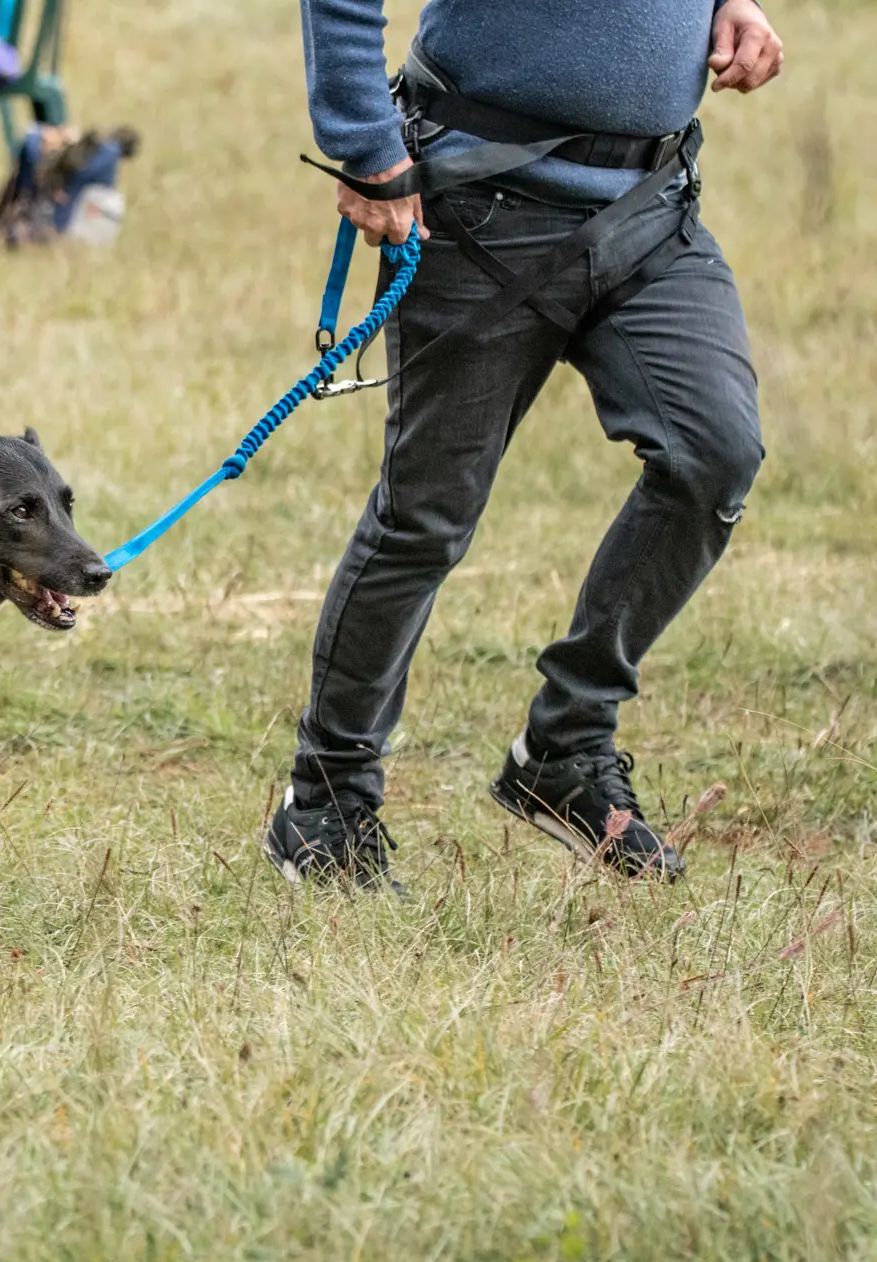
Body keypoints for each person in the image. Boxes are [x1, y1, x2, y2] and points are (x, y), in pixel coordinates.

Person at [265, 0, 785, 891]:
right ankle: (324, 803)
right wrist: (363, 138)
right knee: (427, 516)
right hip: (479, 198)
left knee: (714, 451)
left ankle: (565, 747)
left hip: (650, 201)